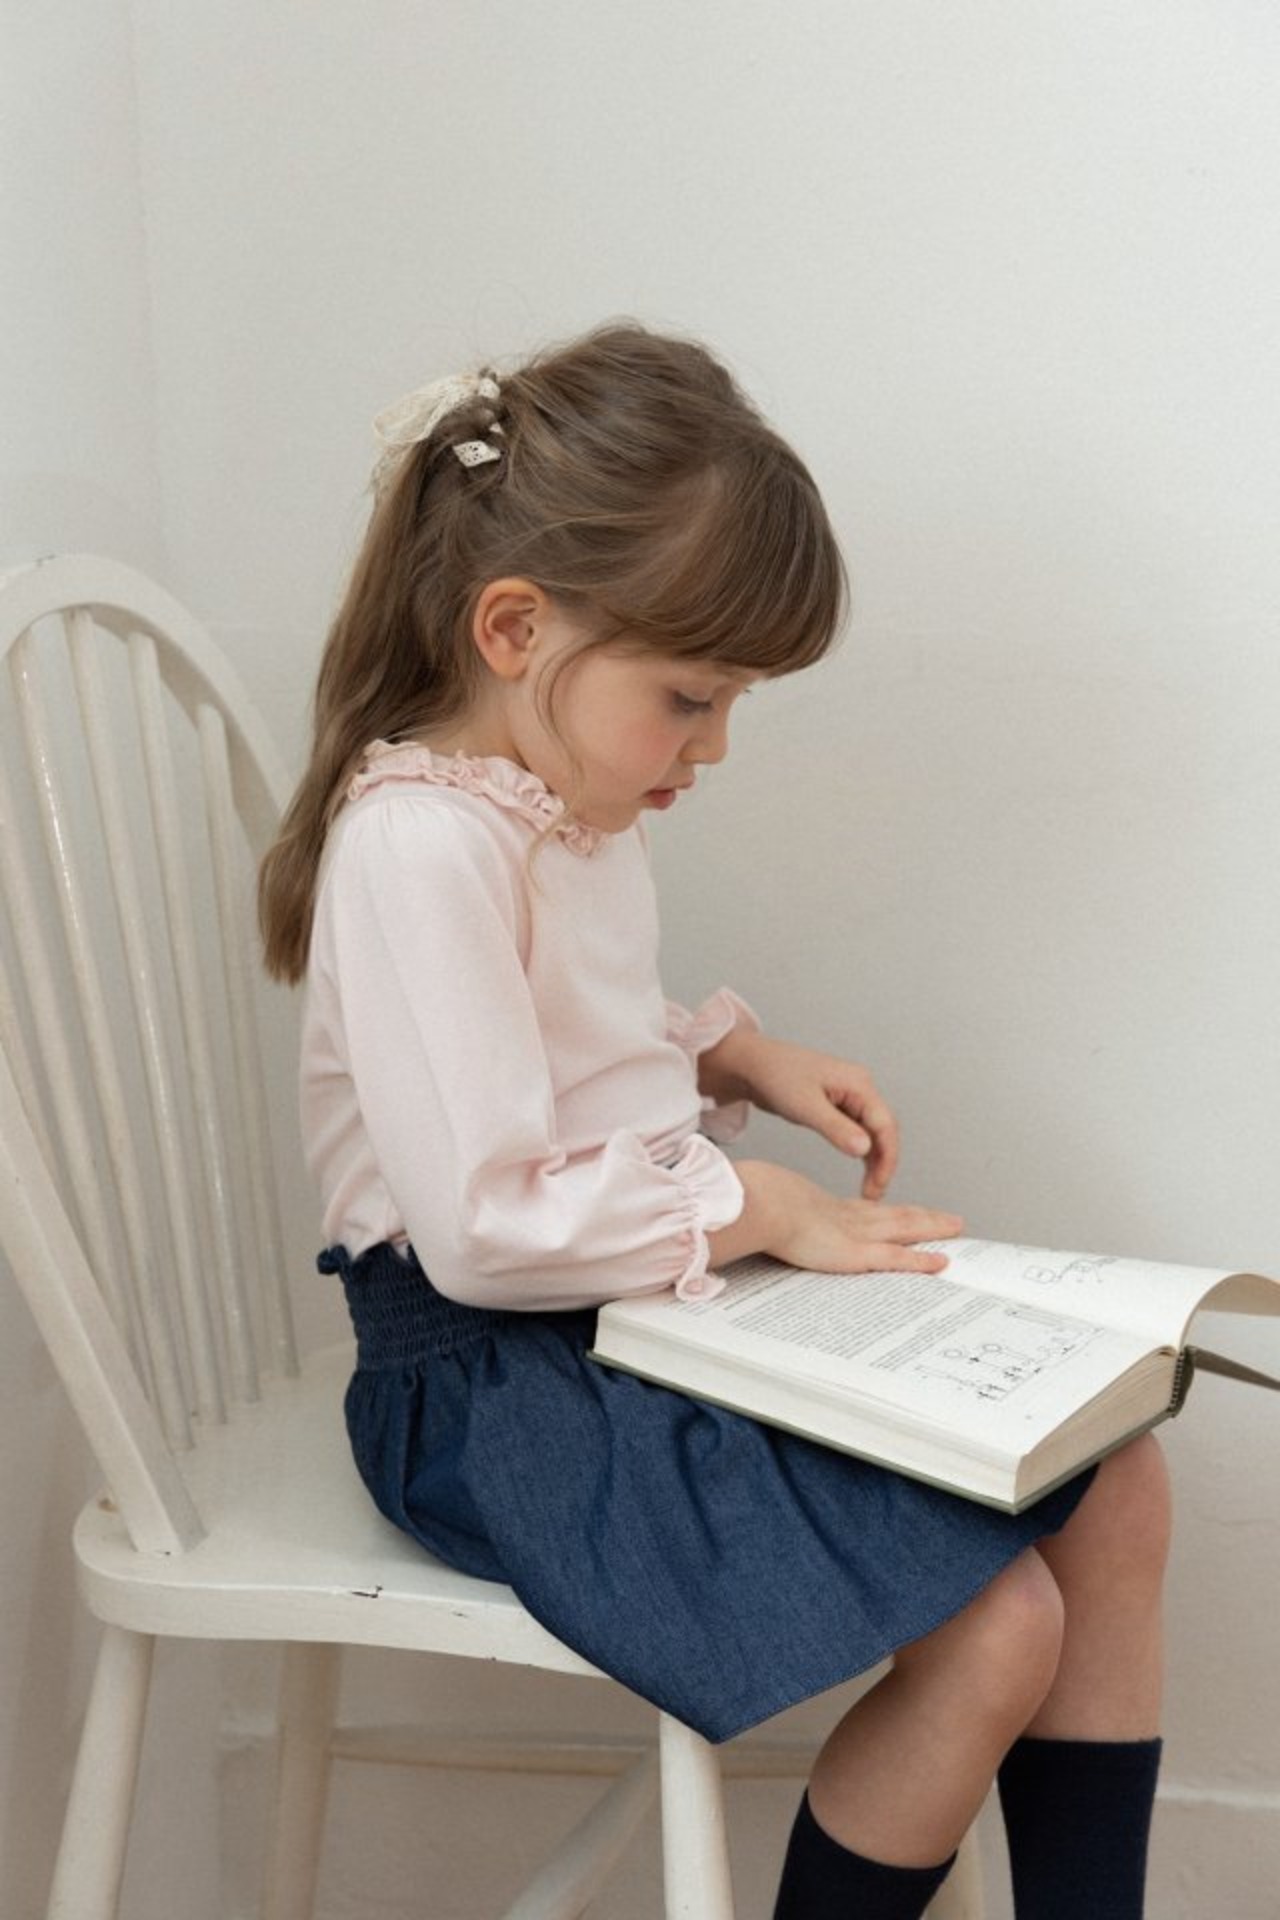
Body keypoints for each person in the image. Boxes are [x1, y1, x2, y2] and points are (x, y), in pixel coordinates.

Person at [258, 323, 1171, 1920]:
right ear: (514, 628)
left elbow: (575, 1057)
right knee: (999, 1625)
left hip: (627, 1320)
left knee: (1122, 1481)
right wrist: (759, 1208)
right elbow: (484, 1224)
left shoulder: (567, 805)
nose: (716, 746)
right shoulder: (419, 848)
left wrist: (732, 1060)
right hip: (495, 1386)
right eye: (691, 697)